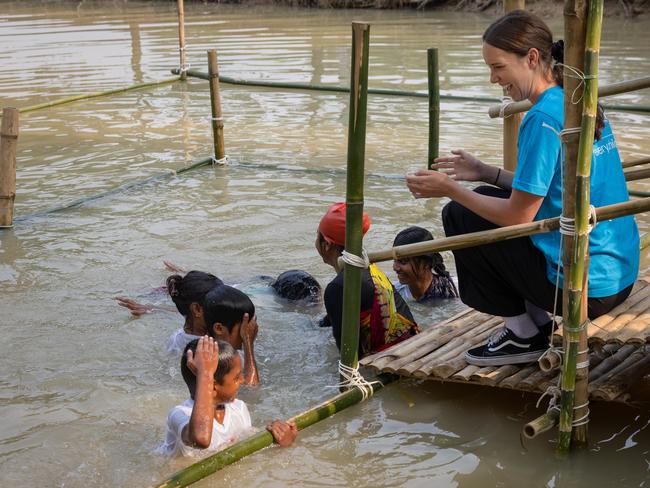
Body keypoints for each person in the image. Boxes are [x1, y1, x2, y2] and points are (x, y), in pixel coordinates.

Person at [405, 10, 639, 366]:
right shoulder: (575, 97)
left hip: (586, 287)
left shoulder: (543, 116)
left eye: (498, 67)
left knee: (459, 213)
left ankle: (523, 333)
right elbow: (555, 188)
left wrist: (450, 190)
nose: (493, 79)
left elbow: (518, 215)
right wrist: (485, 172)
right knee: (479, 200)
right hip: (618, 274)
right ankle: (537, 324)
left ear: (530, 58)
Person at [161, 336, 297, 458]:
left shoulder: (238, 407)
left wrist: (277, 437)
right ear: (212, 385)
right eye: (237, 377)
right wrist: (205, 374)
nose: (243, 380)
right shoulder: (179, 414)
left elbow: (248, 449)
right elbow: (200, 439)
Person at [315, 202, 420, 358]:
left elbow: (348, 355)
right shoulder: (370, 269)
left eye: (317, 236)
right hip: (412, 345)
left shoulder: (338, 287)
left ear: (327, 244)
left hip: (389, 362)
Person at [201, 284, 261, 387]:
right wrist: (248, 343)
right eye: (243, 329)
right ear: (219, 328)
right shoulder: (211, 359)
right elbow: (252, 390)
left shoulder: (231, 352)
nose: (248, 332)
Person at [392, 226, 459, 302]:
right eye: (395, 261)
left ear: (426, 263)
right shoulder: (393, 294)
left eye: (403, 261)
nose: (395, 268)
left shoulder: (456, 288)